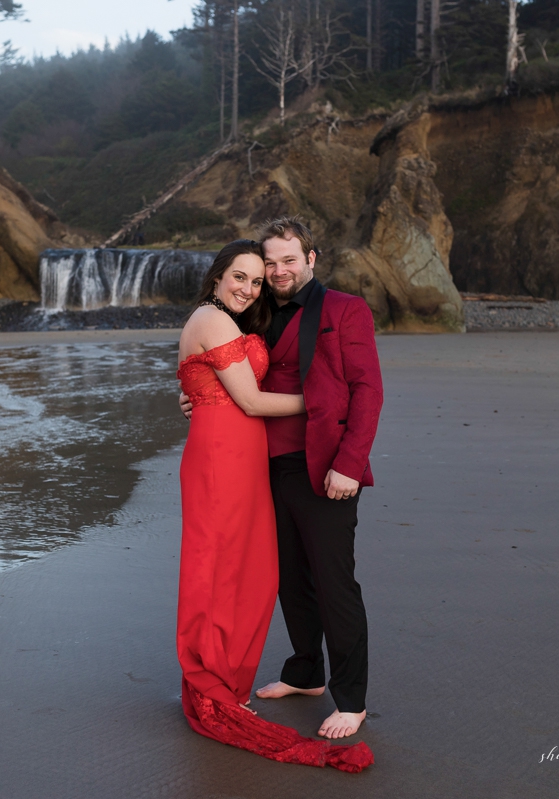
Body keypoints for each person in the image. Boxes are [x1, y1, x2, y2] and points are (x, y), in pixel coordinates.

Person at [182, 218, 385, 742]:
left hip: (324, 466)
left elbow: (367, 391)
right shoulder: (256, 314)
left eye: (288, 260)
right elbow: (229, 377)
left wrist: (349, 461)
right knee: (290, 580)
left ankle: (353, 699)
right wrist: (195, 395)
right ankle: (305, 674)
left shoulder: (345, 309)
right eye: (268, 263)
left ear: (311, 258)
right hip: (262, 466)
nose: (276, 271)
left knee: (334, 582)